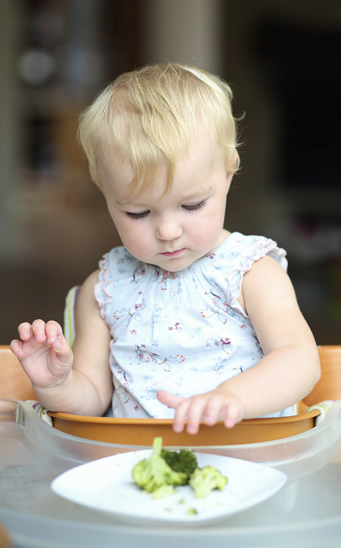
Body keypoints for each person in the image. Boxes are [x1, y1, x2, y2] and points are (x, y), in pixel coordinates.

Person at [10, 63, 320, 435]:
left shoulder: (249, 271)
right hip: (135, 468)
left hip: (245, 462)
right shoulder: (104, 289)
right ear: (106, 193)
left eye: (191, 206)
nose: (168, 231)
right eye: (139, 212)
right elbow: (93, 397)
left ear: (226, 174)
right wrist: (56, 384)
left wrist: (234, 398)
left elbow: (300, 360)